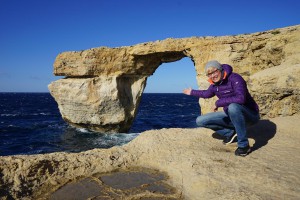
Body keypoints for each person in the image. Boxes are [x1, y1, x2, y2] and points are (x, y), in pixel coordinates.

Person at [183, 60, 260, 156]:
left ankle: (244, 146)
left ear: (220, 69)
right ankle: (230, 133)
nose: (212, 76)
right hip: (231, 114)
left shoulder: (235, 78)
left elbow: (241, 98)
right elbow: (206, 94)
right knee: (200, 121)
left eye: (214, 72)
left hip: (250, 115)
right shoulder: (215, 85)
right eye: (209, 74)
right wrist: (191, 92)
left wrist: (218, 103)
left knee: (233, 107)